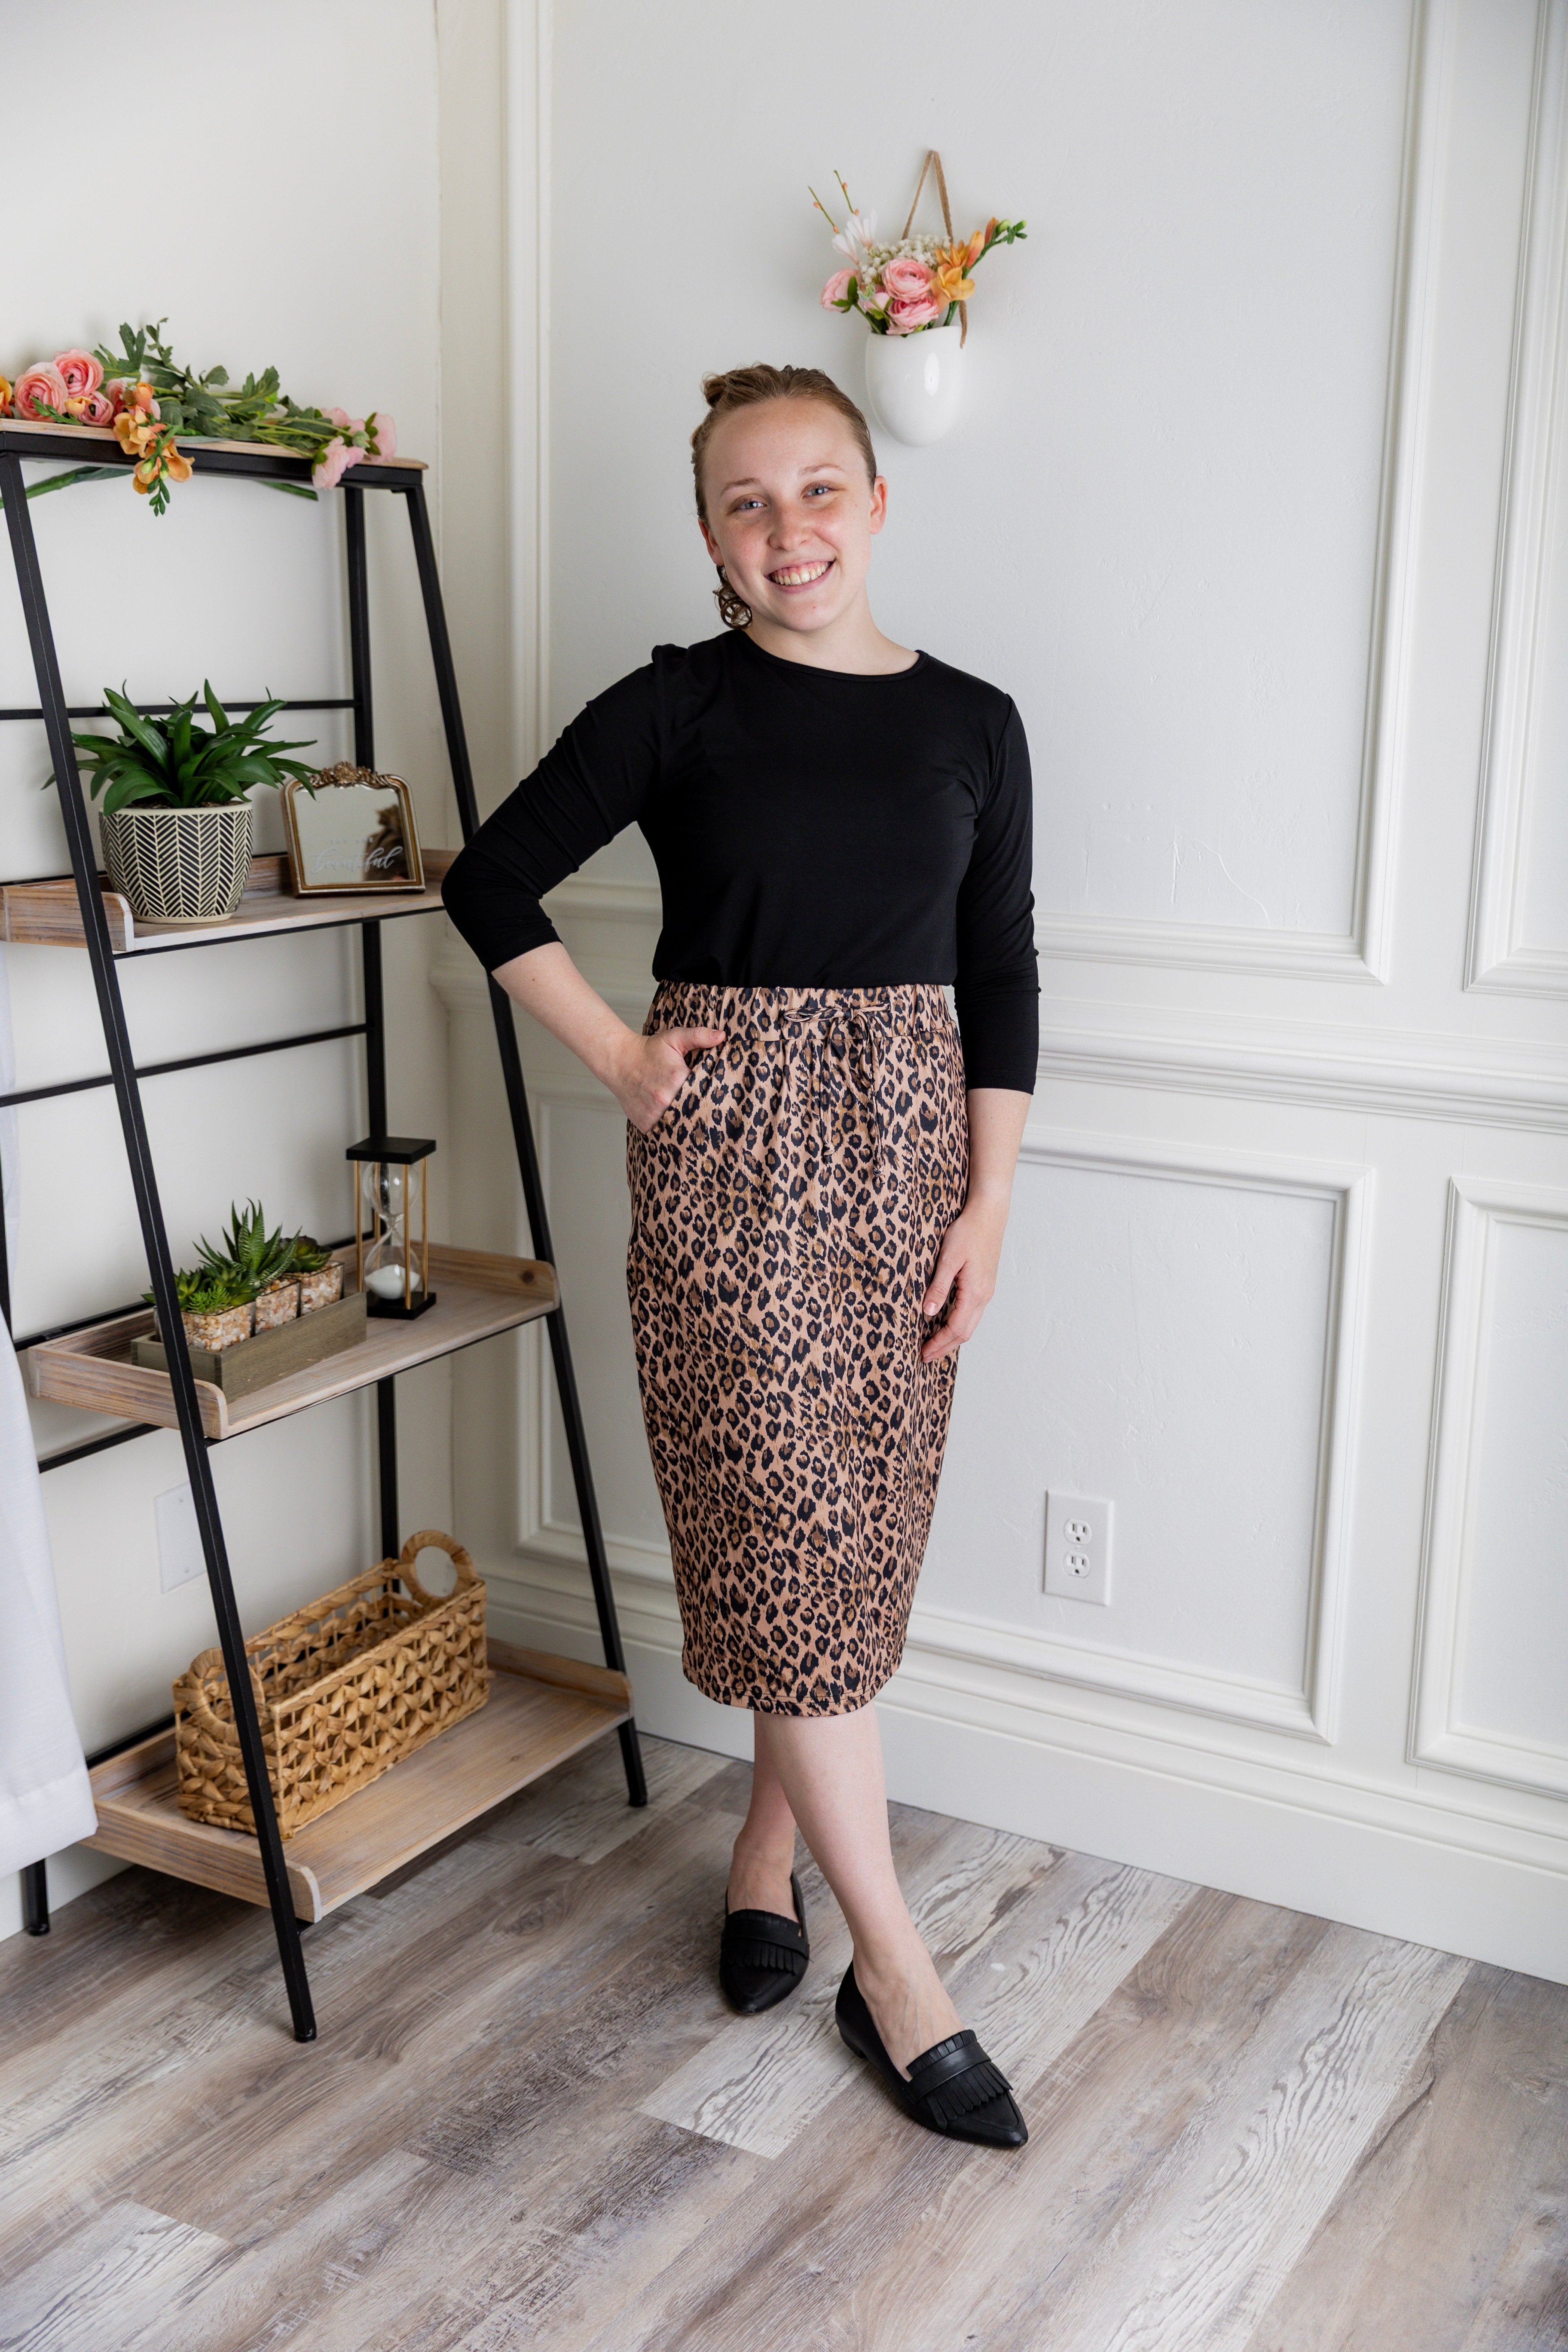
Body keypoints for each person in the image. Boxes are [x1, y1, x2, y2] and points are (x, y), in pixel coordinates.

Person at [442, 362, 1038, 2148]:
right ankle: (900, 1974)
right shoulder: (676, 706)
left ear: (876, 500)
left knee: (850, 1534)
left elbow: (999, 969)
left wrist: (989, 1204)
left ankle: (764, 1852)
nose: (788, 530)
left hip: (918, 1154)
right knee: (784, 1531)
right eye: (745, 503)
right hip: (732, 1165)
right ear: (708, 535)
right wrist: (622, 1060)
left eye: (817, 490)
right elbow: (489, 883)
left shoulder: (978, 720)